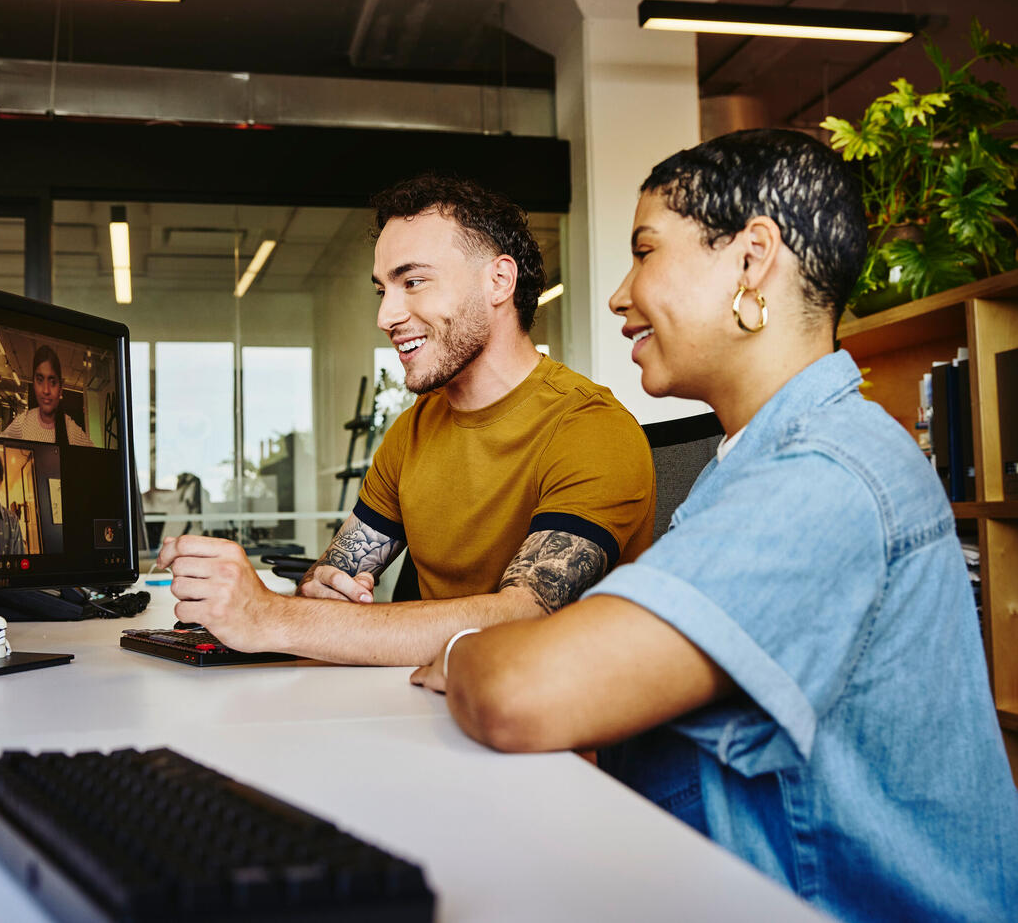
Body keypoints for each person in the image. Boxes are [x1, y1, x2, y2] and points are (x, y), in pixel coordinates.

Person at [412, 130, 1018, 921]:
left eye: (645, 251)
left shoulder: (824, 476)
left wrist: (463, 649)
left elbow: (525, 695)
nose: (619, 295)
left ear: (751, 257)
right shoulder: (748, 467)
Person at [155, 173, 654, 665]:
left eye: (413, 282)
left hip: (539, 730)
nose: (386, 316)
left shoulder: (591, 429)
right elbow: (333, 573)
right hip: (418, 702)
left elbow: (522, 619)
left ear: (499, 281)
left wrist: (270, 616)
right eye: (382, 290)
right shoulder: (414, 430)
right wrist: (320, 590)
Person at [1, 345, 94, 446]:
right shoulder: (22, 423)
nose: (46, 390)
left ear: (60, 388)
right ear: (34, 384)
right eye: (40, 380)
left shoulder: (71, 429)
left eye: (53, 382)